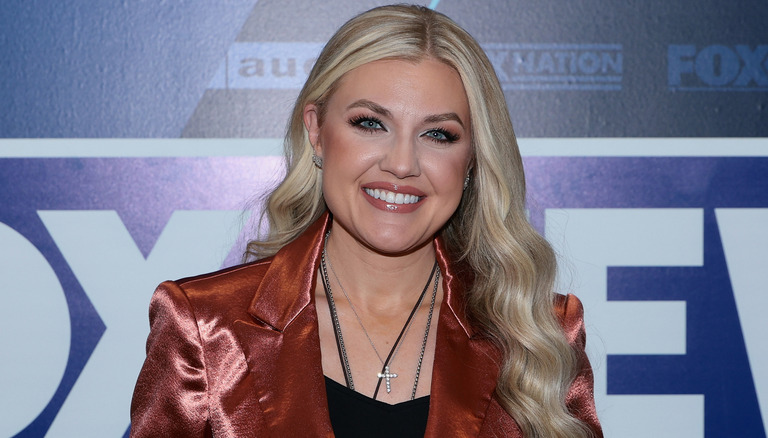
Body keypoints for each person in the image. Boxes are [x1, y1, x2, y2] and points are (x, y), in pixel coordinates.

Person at [130, 4, 602, 438]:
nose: (401, 163)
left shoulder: (539, 334)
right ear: (316, 130)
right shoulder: (207, 326)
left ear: (475, 157)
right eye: (370, 123)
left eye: (438, 134)